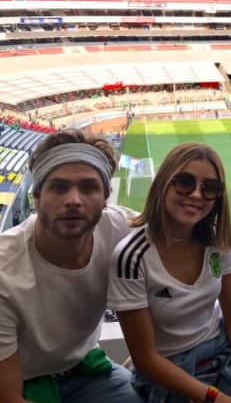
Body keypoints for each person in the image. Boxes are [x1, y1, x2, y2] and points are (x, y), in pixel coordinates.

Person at [107, 143, 231, 403]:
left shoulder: (216, 244)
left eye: (210, 188)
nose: (197, 194)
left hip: (223, 350)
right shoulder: (131, 257)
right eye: (185, 182)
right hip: (172, 372)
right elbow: (145, 359)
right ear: (164, 182)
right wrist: (215, 397)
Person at [0, 129, 143, 403]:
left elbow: (184, 240)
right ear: (37, 196)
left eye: (88, 187)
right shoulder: (5, 272)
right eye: (59, 187)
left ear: (106, 197)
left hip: (84, 368)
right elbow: (8, 397)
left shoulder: (123, 229)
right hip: (22, 381)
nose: (74, 200)